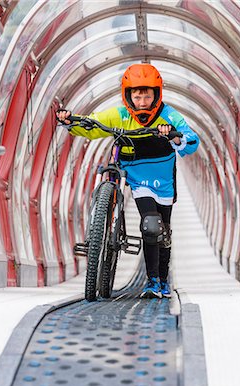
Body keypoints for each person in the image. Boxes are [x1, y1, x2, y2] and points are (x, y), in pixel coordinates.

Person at [56, 63, 199, 299]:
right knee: (150, 224)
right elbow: (92, 124)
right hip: (134, 175)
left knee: (162, 231)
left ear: (156, 94)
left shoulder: (168, 115)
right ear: (128, 96)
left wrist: (173, 134)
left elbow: (192, 140)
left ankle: (163, 279)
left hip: (162, 179)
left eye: (147, 95)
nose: (142, 101)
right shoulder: (120, 115)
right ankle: (151, 281)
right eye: (137, 95)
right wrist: (71, 121)